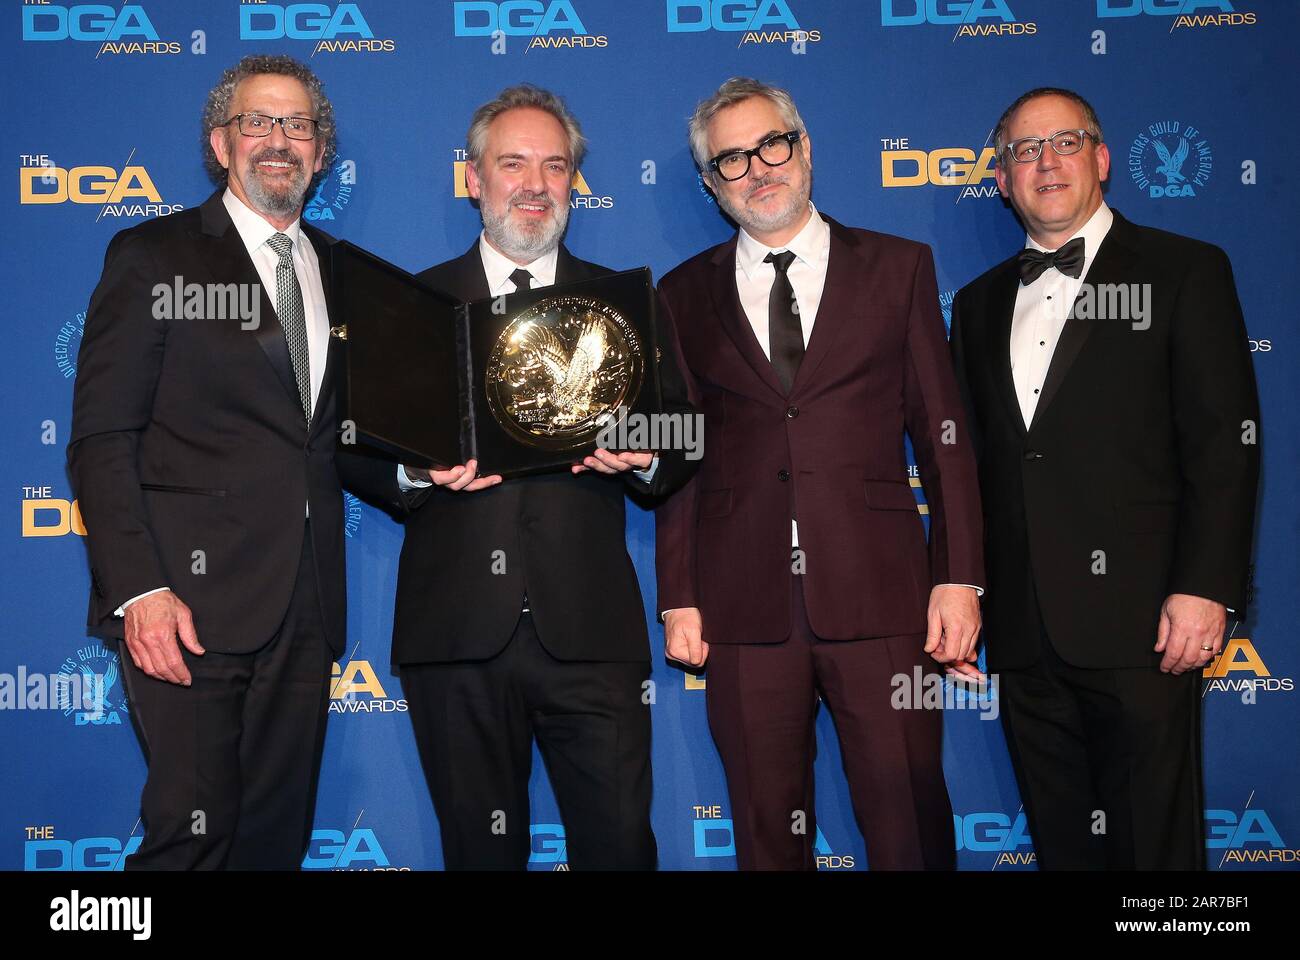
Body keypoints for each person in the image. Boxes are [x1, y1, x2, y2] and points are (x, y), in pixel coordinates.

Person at [67, 54, 400, 870]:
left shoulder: (345, 273)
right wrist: (140, 589)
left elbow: (339, 441)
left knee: (271, 845)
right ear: (221, 143)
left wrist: (420, 476)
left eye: (298, 125)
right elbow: (102, 438)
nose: (278, 140)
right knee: (192, 837)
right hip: (185, 611)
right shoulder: (152, 256)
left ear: (321, 152)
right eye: (258, 121)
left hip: (306, 609)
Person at [655, 77, 984, 870]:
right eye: (731, 160)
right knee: (768, 830)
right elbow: (680, 456)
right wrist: (679, 595)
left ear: (804, 150)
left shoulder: (898, 269)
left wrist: (960, 578)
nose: (757, 168)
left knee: (908, 819)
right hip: (742, 606)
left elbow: (945, 440)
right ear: (711, 184)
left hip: (883, 595)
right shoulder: (680, 293)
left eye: (772, 145)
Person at [949, 87, 1261, 869]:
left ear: (1102, 158)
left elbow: (1225, 445)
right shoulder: (981, 303)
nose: (1044, 162)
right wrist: (969, 588)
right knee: (1064, 847)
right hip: (1026, 633)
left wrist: (1206, 587)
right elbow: (976, 462)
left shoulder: (1184, 269)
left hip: (1146, 624)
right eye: (1024, 150)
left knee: (1155, 850)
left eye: (1064, 141)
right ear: (1001, 178)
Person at [394, 84, 698, 870]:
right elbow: (355, 449)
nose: (535, 185)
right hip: (455, 636)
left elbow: (685, 432)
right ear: (473, 179)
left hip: (591, 635)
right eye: (514, 164)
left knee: (620, 850)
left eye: (555, 166)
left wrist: (646, 450)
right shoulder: (413, 304)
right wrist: (418, 472)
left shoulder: (628, 303)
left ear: (574, 184)